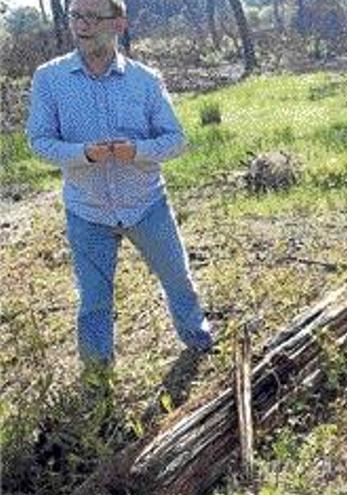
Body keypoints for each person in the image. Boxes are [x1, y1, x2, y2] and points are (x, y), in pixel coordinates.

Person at [26, 0, 214, 388]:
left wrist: (138, 151)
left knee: (178, 279)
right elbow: (39, 141)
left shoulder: (145, 80)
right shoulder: (49, 78)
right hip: (87, 212)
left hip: (146, 204)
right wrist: (83, 154)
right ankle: (97, 382)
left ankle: (199, 342)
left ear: (119, 23)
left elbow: (176, 140)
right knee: (94, 301)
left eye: (93, 17)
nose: (82, 25)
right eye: (77, 15)